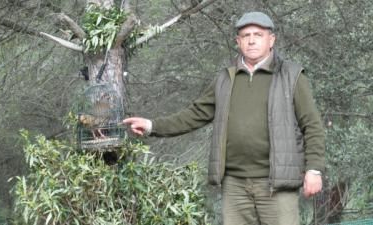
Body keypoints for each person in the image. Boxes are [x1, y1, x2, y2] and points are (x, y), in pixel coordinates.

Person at [123, 11, 325, 225]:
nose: (252, 40)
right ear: (238, 42)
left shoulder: (292, 76)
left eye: (258, 34)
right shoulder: (225, 79)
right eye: (246, 35)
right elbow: (195, 114)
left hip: (277, 184)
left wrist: (314, 169)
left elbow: (312, 125)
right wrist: (152, 125)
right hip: (234, 185)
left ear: (271, 40)